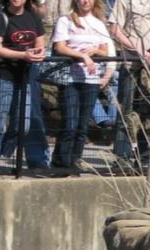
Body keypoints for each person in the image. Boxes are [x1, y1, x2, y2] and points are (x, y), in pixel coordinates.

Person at [0, 0, 45, 178]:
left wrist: (38, 53)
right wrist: (23, 55)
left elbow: (40, 44)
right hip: (1, 75)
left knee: (22, 124)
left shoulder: (33, 17)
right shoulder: (0, 17)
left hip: (24, 76)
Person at [108, 0, 150, 170]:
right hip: (131, 64)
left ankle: (144, 159)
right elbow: (115, 30)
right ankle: (122, 159)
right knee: (126, 112)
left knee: (149, 114)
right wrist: (140, 51)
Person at [51, 0, 110, 171]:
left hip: (91, 79)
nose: (86, 1)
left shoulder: (98, 23)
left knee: (83, 125)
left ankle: (74, 161)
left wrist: (95, 52)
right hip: (70, 78)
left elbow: (105, 51)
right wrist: (82, 56)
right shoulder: (66, 20)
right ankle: (60, 163)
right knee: (70, 123)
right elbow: (59, 47)